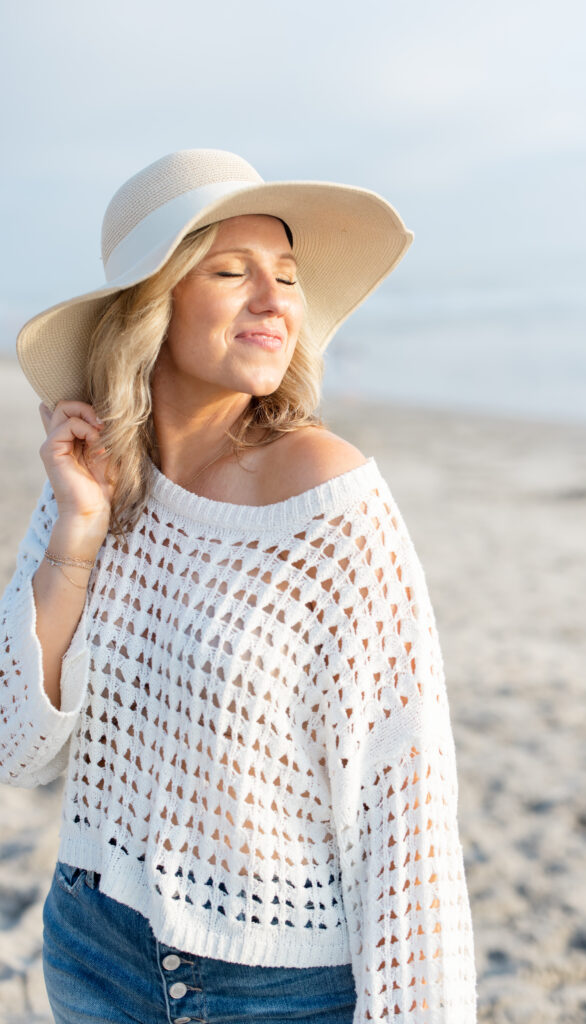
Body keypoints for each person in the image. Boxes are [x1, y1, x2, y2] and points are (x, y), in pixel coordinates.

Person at [1, 149, 477, 1023]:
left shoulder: (329, 502)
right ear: (153, 307)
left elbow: (400, 797)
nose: (274, 300)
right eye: (232, 270)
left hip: (277, 989)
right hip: (93, 949)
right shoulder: (96, 480)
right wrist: (78, 529)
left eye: (287, 277)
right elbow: (14, 747)